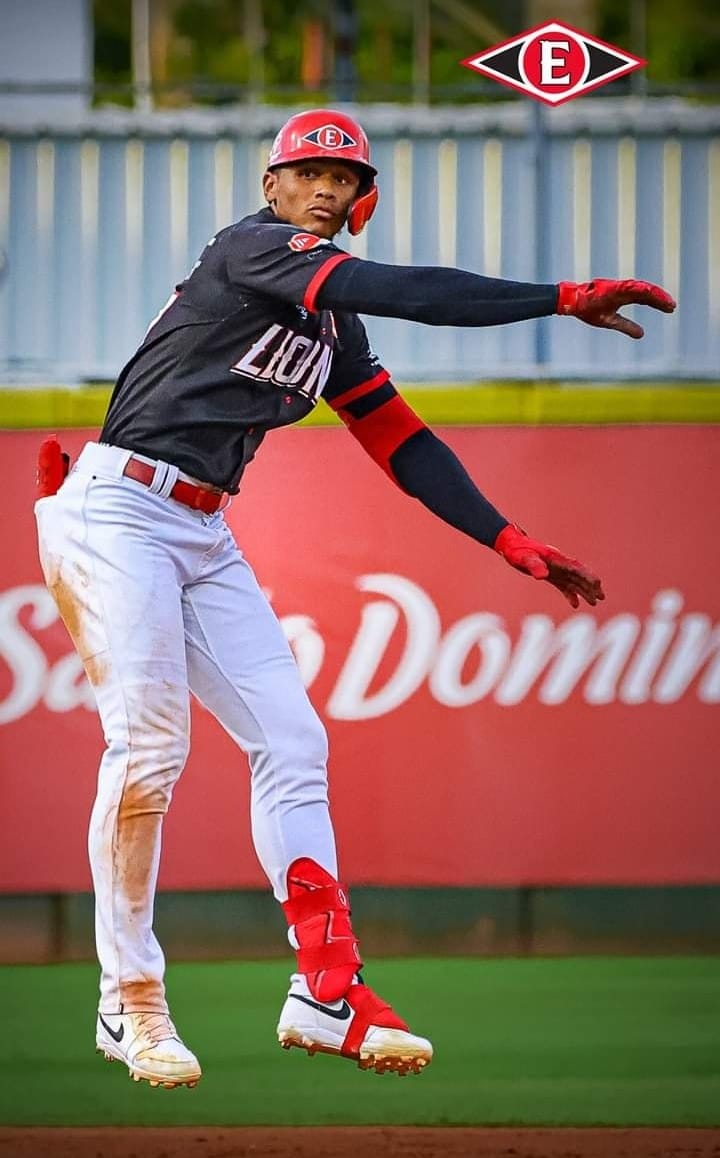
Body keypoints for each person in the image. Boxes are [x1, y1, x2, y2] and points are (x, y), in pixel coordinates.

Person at [34, 108, 676, 1089]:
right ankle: (130, 999)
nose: (328, 187)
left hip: (200, 526)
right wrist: (561, 295)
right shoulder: (254, 251)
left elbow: (400, 440)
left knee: (293, 744)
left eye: (346, 175)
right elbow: (407, 287)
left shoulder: (333, 326)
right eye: (310, 171)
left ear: (360, 195)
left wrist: (505, 537)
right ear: (274, 186)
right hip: (116, 508)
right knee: (153, 744)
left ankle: (326, 991)